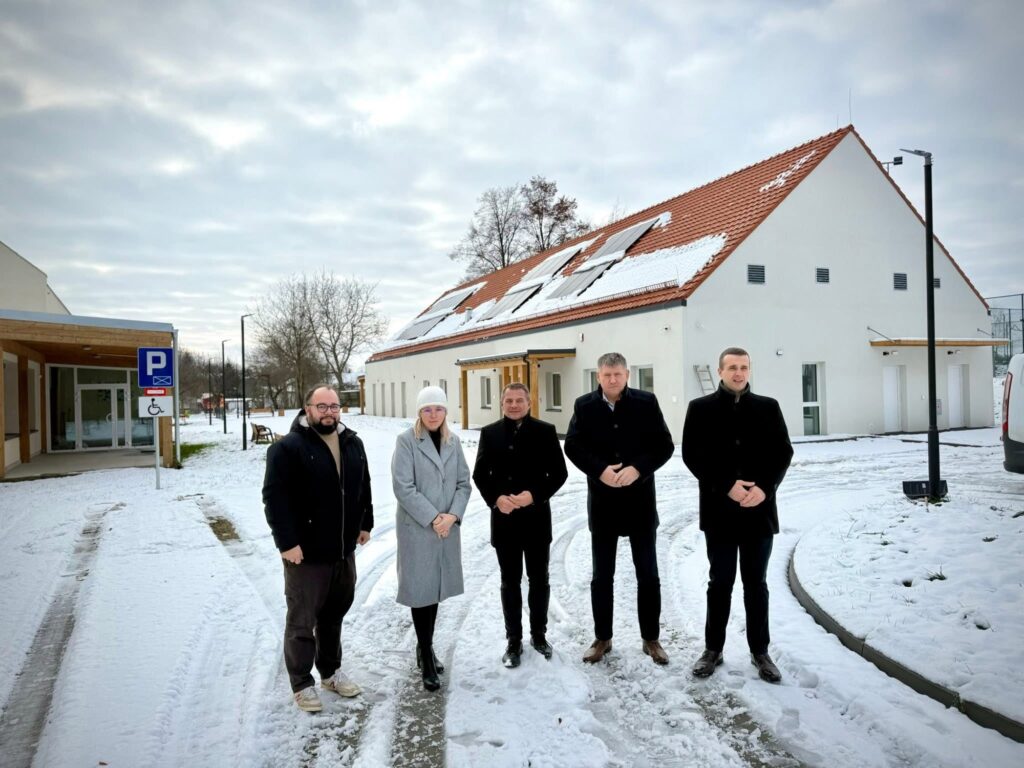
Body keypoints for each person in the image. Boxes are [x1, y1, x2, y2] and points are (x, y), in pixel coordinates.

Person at [682, 347, 793, 683]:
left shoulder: (768, 407)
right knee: (720, 582)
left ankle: (761, 652)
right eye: (732, 367)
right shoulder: (700, 408)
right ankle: (712, 650)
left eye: (744, 367)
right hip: (720, 512)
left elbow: (783, 452)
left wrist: (765, 488)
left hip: (759, 511)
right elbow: (692, 455)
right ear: (720, 371)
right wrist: (726, 486)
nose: (738, 373)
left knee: (756, 584)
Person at [263, 384, 374, 712]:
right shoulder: (287, 448)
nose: (329, 412)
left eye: (334, 406)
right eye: (321, 406)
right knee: (302, 619)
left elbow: (363, 486)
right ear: (307, 408)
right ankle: (302, 684)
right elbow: (274, 499)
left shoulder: (352, 443)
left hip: (342, 550)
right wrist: (287, 543)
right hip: (305, 553)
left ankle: (330, 672)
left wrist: (365, 523)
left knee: (333, 615)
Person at [564, 353, 675, 665]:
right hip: (603, 504)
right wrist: (600, 470)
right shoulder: (584, 406)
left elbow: (664, 445)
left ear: (627, 374)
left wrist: (638, 469)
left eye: (617, 374)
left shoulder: (646, 402)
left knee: (648, 574)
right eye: (606, 375)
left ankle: (651, 638)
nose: (612, 379)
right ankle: (602, 637)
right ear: (598, 376)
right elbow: (572, 445)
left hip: (640, 502)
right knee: (602, 576)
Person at [473, 383, 568, 667]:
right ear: (502, 403)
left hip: (536, 519)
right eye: (509, 400)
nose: (514, 405)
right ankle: (513, 640)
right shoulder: (490, 433)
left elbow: (559, 473)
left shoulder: (545, 431)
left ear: (529, 402)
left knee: (539, 580)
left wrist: (534, 495)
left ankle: (539, 636)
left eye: (519, 400)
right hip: (505, 521)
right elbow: (480, 474)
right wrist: (496, 499)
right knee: (509, 581)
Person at [392, 385, 472, 691]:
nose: (433, 414)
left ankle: (424, 645)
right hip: (419, 528)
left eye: (438, 409)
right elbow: (403, 487)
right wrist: (434, 518)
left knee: (435, 589)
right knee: (421, 591)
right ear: (419, 412)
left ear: (446, 411)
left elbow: (464, 483)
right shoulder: (406, 442)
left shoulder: (453, 442)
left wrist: (452, 516)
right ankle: (425, 654)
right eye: (427, 409)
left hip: (446, 529)